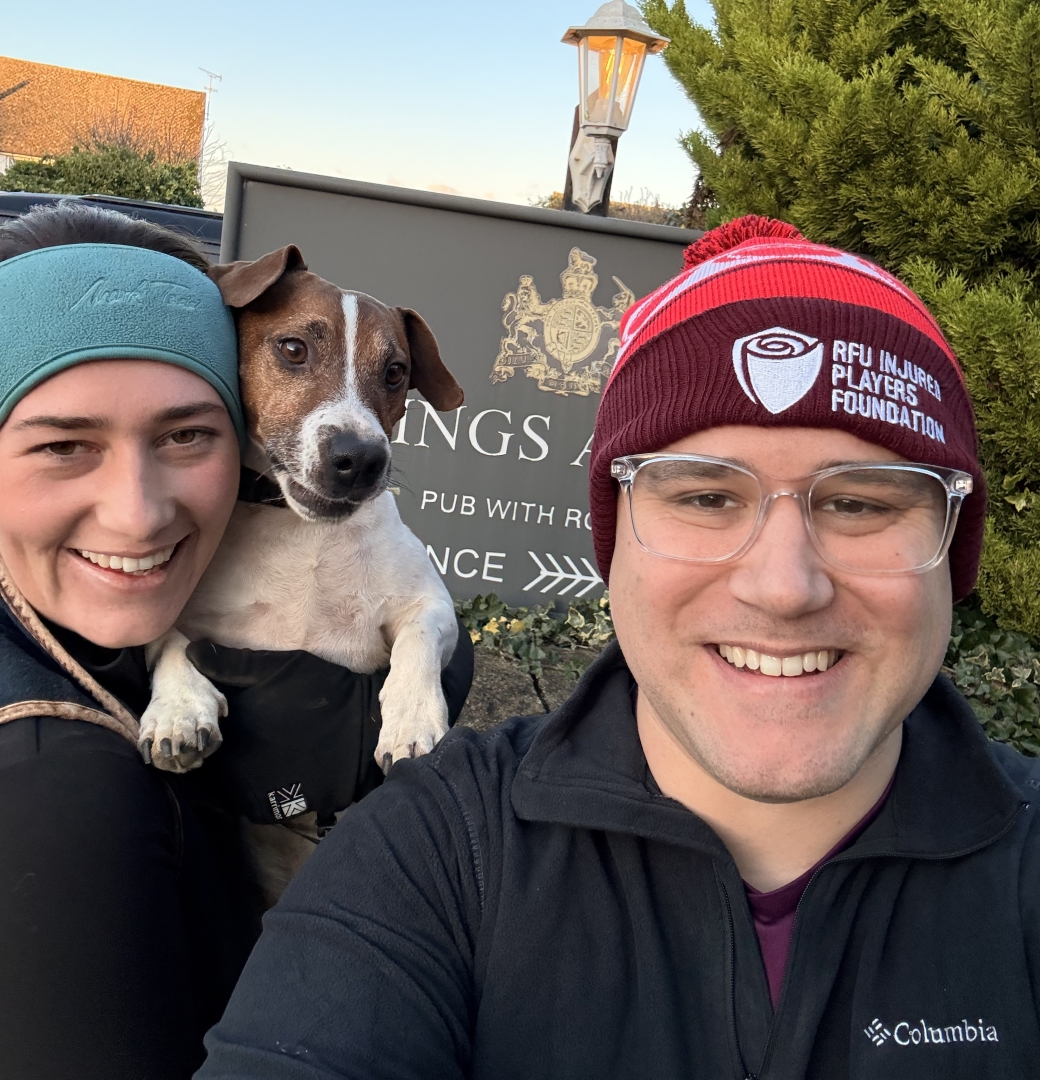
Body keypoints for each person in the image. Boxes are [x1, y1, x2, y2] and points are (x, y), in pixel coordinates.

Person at [198, 216, 1040, 1080]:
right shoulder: (437, 850)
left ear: (954, 545)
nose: (785, 588)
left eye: (861, 504)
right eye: (707, 498)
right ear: (615, 538)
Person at [0, 201, 472, 1080]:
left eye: (187, 434)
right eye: (64, 445)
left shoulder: (135, 609)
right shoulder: (52, 781)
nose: (137, 514)